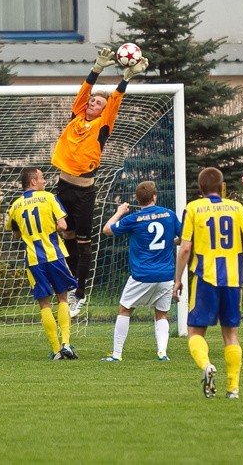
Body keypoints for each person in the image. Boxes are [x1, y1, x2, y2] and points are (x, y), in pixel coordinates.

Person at [51, 48, 149, 318]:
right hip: (62, 187)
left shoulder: (102, 126)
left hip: (84, 192)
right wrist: (96, 69)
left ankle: (79, 294)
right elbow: (83, 92)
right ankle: (69, 285)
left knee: (84, 243)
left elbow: (114, 100)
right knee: (65, 236)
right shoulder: (76, 119)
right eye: (92, 102)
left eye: (98, 103)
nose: (93, 104)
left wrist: (126, 78)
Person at [174, 168, 243, 399]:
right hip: (233, 279)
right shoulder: (237, 208)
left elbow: (185, 248)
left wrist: (177, 280)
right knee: (231, 335)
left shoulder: (193, 208)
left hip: (205, 278)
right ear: (222, 187)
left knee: (195, 332)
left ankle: (206, 366)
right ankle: (233, 388)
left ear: (200, 188)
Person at [100, 181, 181, 362]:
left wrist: (120, 211)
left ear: (137, 199)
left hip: (143, 275)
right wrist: (171, 242)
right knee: (161, 313)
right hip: (166, 275)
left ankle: (116, 354)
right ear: (154, 196)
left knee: (124, 309)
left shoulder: (133, 219)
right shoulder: (169, 214)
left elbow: (106, 230)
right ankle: (162, 353)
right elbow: (184, 238)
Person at [7, 167, 78, 360]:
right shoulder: (48, 197)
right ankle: (66, 344)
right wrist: (50, 227)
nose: (44, 181)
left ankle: (55, 351)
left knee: (44, 304)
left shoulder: (14, 206)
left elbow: (15, 234)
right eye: (41, 178)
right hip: (54, 255)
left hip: (33, 260)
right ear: (33, 182)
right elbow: (63, 226)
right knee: (62, 298)